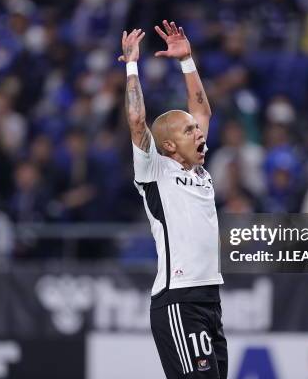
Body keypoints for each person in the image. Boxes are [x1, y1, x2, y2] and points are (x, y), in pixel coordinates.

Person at [119, 21, 227, 378]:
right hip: (179, 300)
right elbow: (137, 121)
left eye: (196, 130)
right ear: (168, 146)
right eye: (189, 130)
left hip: (209, 299)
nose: (198, 132)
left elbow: (204, 111)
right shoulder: (156, 171)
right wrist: (132, 66)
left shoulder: (198, 169)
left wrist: (187, 62)